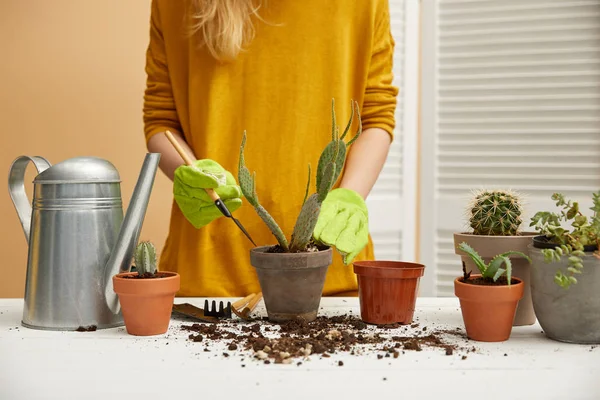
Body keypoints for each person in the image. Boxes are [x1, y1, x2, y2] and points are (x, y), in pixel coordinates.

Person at [143, 0, 398, 297]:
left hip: (327, 272)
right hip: (210, 284)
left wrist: (350, 195)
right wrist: (191, 175)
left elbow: (376, 115)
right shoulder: (175, 5)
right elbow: (161, 122)